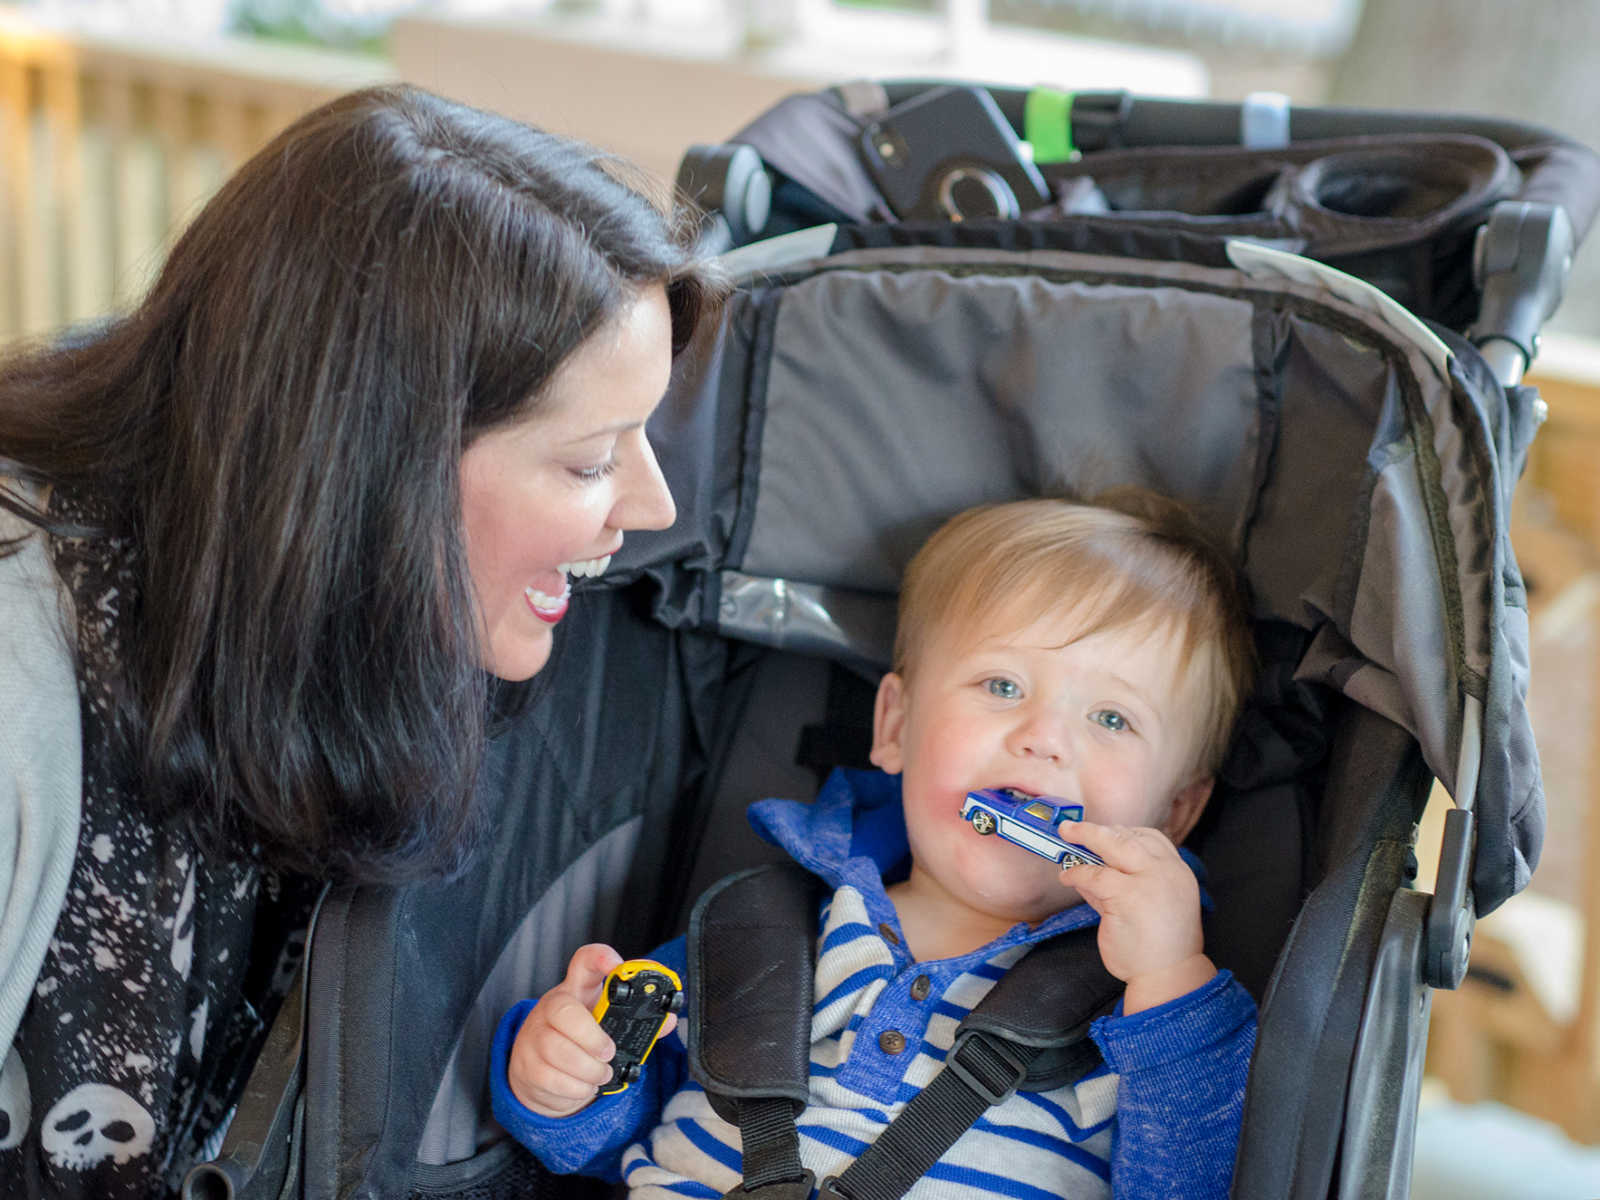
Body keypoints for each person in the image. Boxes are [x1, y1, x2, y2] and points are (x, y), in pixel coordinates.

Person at [0, 83, 721, 1197]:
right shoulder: (22, 695)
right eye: (588, 461)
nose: (654, 507)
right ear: (374, 471)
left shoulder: (316, 600)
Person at [491, 493, 1260, 1199]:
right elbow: (608, 1140)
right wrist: (563, 1082)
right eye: (1002, 686)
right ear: (894, 725)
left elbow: (1192, 1183)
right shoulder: (758, 928)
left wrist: (1169, 974)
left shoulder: (1148, 1017)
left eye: (1113, 719)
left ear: (1174, 814)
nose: (1044, 738)